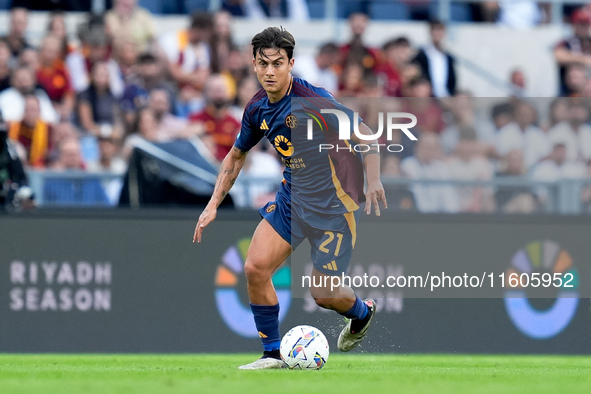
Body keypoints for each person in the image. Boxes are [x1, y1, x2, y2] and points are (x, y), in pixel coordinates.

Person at [193, 27, 385, 369]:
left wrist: (373, 180)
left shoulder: (313, 100)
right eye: (263, 63)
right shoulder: (256, 110)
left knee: (322, 294)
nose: (270, 71)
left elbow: (365, 135)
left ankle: (362, 312)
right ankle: (272, 354)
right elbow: (236, 157)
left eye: (277, 63)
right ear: (253, 65)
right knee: (254, 267)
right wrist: (212, 205)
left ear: (291, 63)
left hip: (333, 206)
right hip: (292, 201)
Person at [412, 19, 457, 98]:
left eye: (440, 30)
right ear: (430, 32)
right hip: (429, 96)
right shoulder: (421, 55)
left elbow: (452, 80)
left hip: (446, 95)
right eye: (435, 30)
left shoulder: (448, 57)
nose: (438, 33)